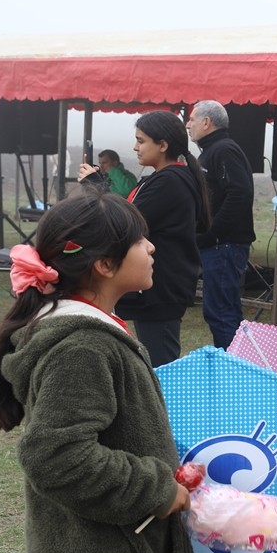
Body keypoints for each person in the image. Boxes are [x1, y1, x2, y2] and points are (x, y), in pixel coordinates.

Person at [0, 190, 195, 553]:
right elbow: (58, 458)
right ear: (103, 264)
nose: (152, 248)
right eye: (141, 239)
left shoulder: (91, 333)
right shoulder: (82, 347)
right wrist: (159, 490)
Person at [81, 112, 210, 367]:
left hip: (160, 289)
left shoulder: (170, 182)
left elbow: (125, 221)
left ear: (163, 145)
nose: (135, 147)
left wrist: (97, 185)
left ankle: (163, 408)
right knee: (153, 364)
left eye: (141, 141)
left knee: (160, 369)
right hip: (157, 287)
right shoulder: (168, 178)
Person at [186, 100, 255, 350]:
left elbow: (240, 193)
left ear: (207, 122)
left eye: (192, 119)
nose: (188, 124)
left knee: (223, 313)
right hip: (218, 244)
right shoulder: (212, 150)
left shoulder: (224, 149)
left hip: (224, 245)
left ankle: (233, 373)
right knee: (217, 311)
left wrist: (212, 233)